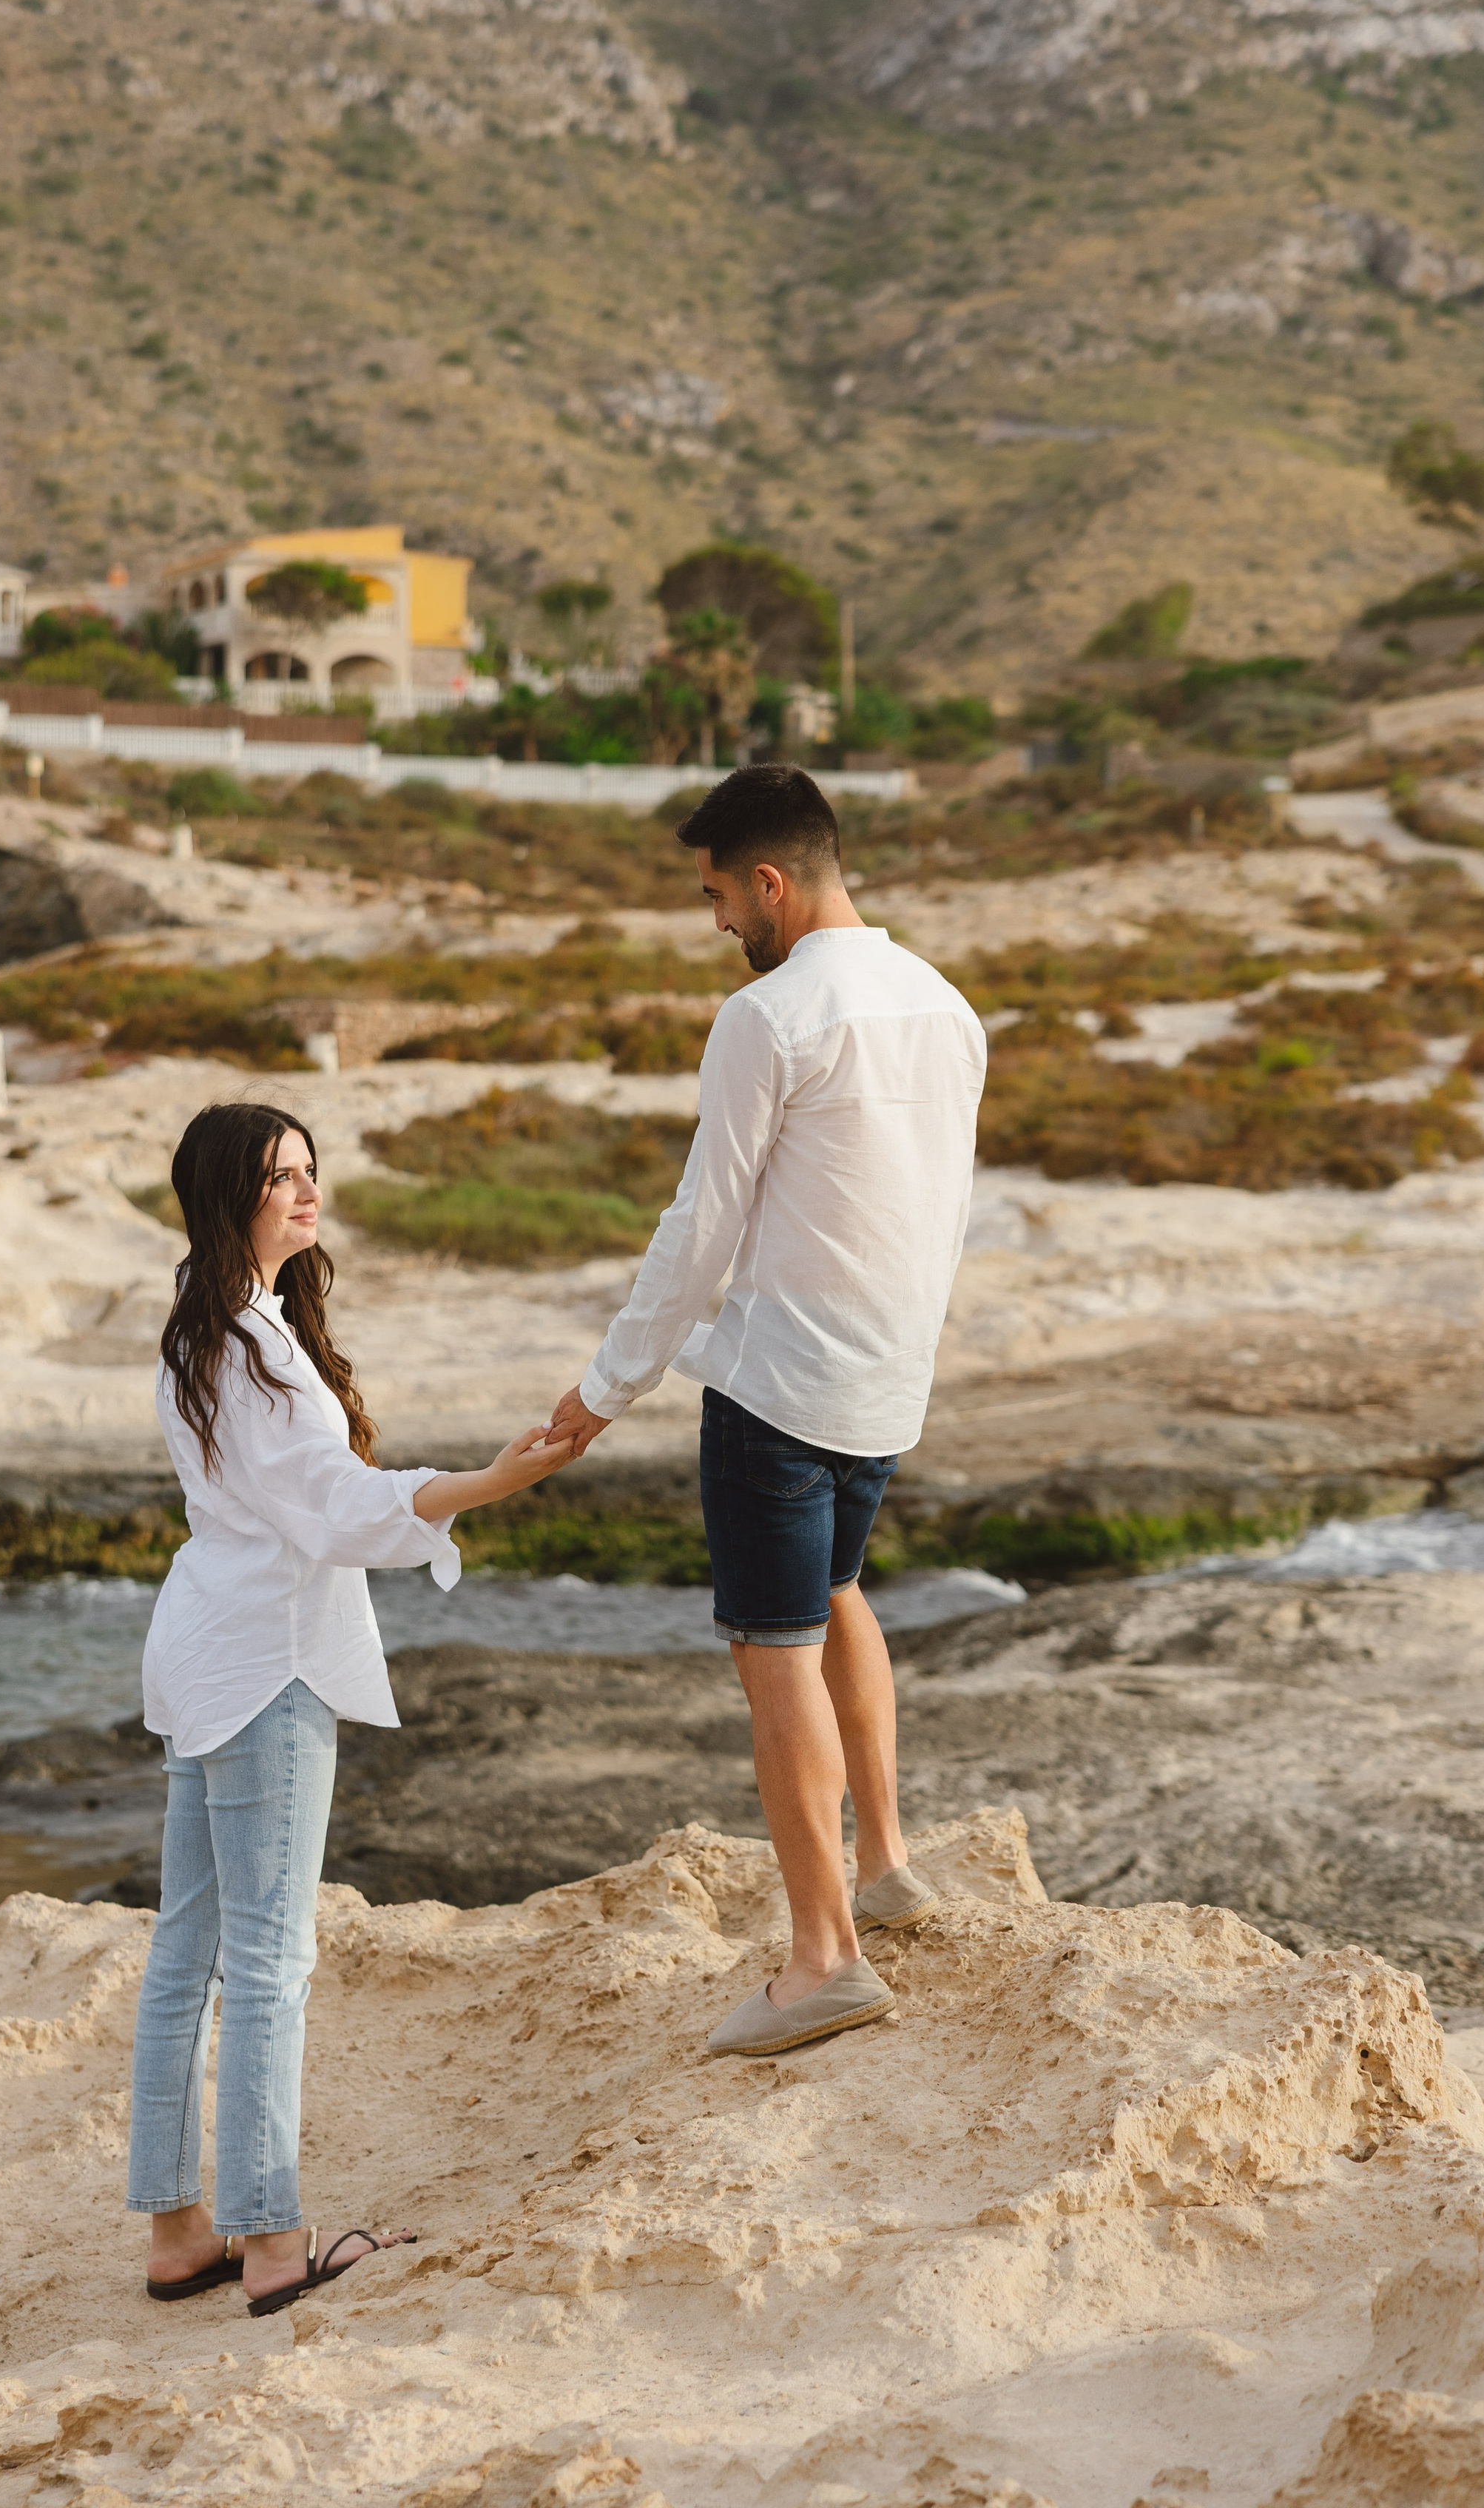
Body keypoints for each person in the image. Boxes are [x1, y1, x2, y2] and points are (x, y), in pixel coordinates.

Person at [547, 764, 985, 2058]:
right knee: (842, 1587)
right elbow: (938, 1213)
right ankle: (888, 1864)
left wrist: (603, 1389)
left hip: (780, 1391)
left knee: (776, 1647)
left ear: (772, 882)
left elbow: (701, 1231)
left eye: (720, 897)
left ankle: (823, 1958)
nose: (719, 924)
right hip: (885, 1384)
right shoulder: (947, 1004)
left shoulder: (772, 1017)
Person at [129, 1099, 576, 2316]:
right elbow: (331, 1510)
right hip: (267, 1662)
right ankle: (272, 2244)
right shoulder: (253, 1348)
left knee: (187, 1953)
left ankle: (180, 2235)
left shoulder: (207, 1331)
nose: (307, 1192)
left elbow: (307, 1499)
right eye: (281, 1177)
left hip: (208, 1654)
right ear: (233, 1197)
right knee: (269, 1962)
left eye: (311, 1170)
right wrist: (488, 1482)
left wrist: (464, 1483)